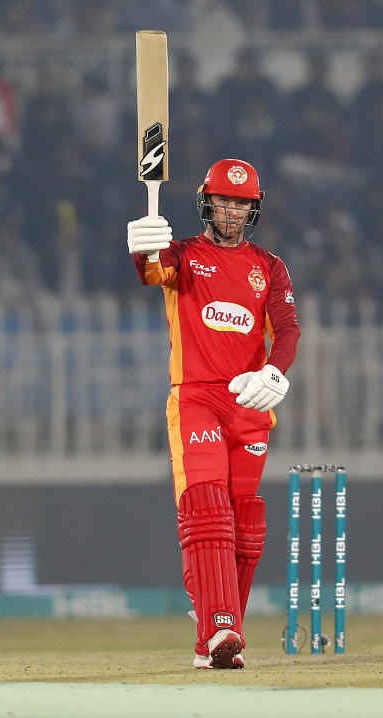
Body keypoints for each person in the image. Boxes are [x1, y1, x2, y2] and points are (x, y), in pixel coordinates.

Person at [126, 159, 299, 670]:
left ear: (254, 209)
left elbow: (287, 328)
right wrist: (145, 244)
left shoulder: (268, 265)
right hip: (197, 397)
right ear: (206, 202)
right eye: (223, 200)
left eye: (241, 203)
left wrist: (274, 373)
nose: (231, 211)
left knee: (246, 523)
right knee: (207, 510)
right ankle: (218, 622)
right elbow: (151, 270)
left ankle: (218, 640)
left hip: (248, 402)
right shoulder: (184, 255)